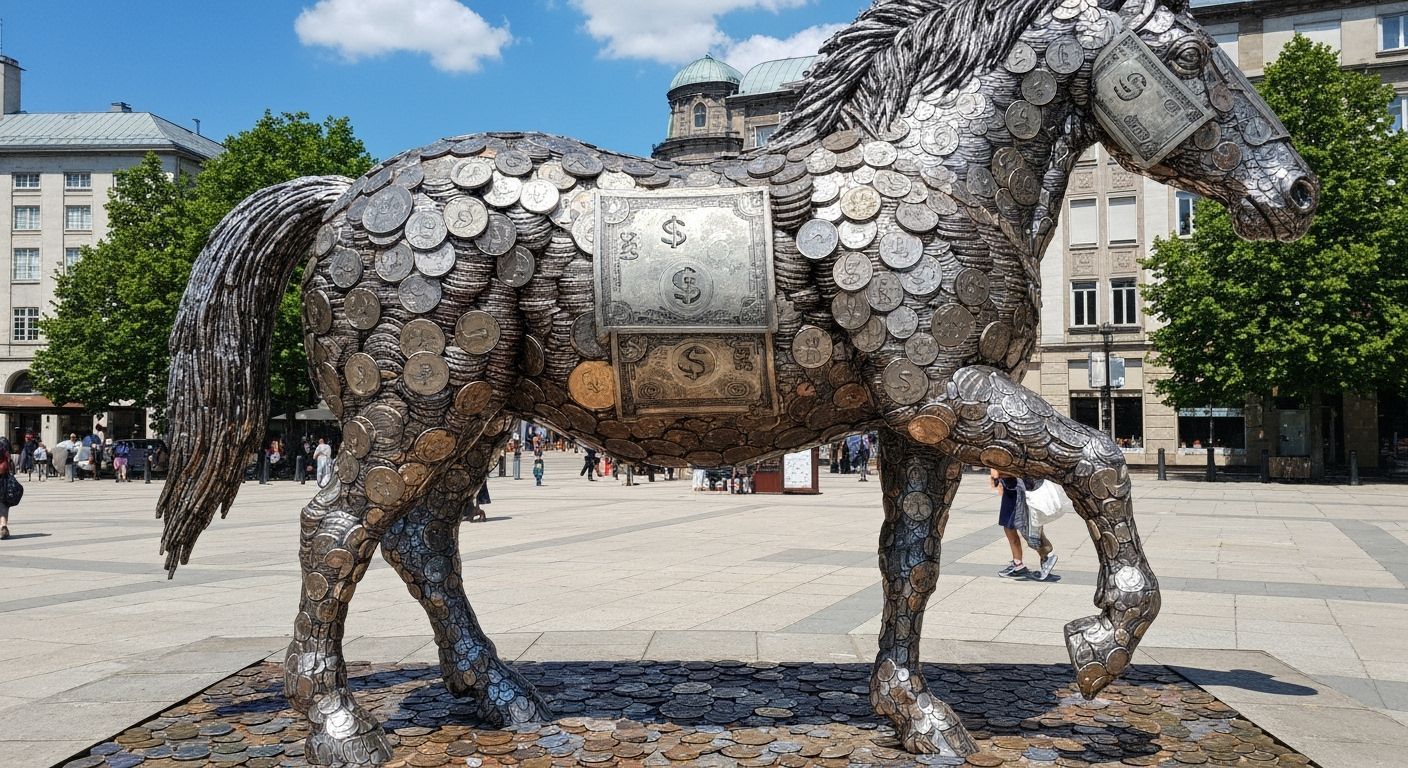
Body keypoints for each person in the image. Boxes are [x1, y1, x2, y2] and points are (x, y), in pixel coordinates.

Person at [992, 469, 1057, 580]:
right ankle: (1018, 565)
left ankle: (1047, 556)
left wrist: (998, 474)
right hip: (1011, 489)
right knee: (1009, 528)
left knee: (1023, 528)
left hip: (1017, 491)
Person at [0, 437, 12, 540]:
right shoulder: (6, 453)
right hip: (3, 482)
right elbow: (10, 467)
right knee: (4, 505)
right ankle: (3, 526)